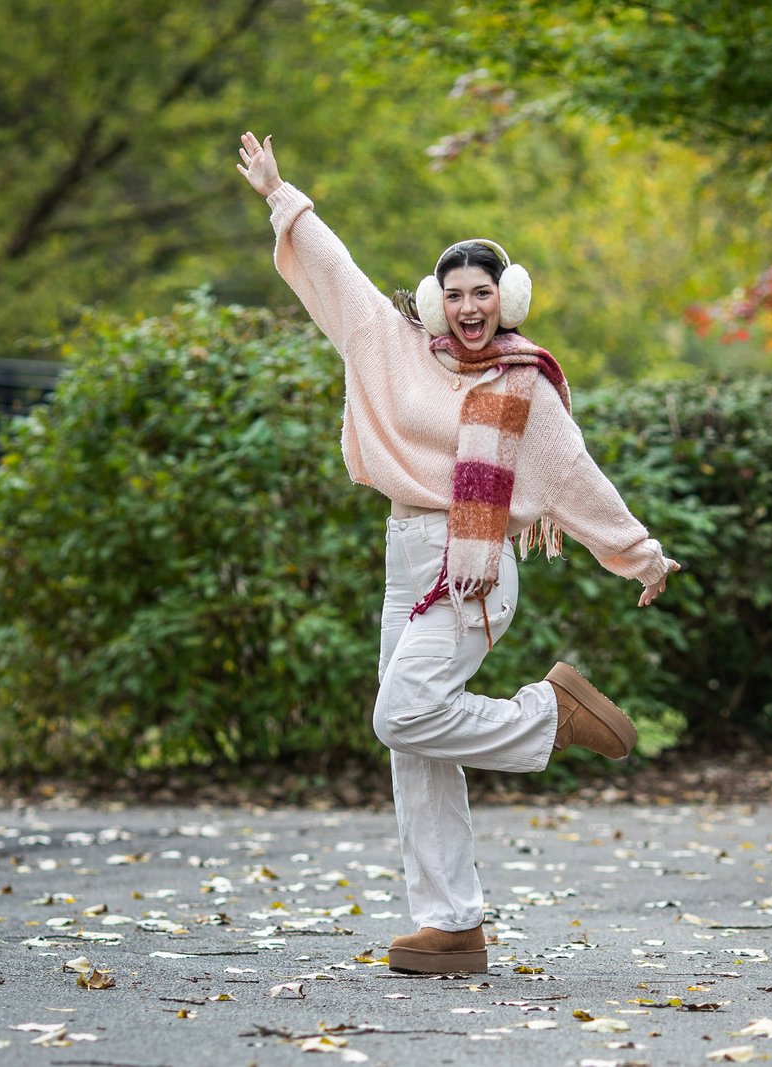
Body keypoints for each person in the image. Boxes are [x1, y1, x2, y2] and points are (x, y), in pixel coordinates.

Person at [237, 131, 680, 974]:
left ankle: (551, 716)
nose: (470, 306)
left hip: (472, 572)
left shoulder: (524, 385)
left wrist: (641, 554)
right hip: (406, 558)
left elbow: (576, 481)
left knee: (398, 712)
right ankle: (450, 923)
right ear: (436, 303)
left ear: (506, 298)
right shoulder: (395, 350)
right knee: (417, 746)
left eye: (483, 292)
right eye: (456, 294)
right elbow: (336, 277)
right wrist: (280, 195)